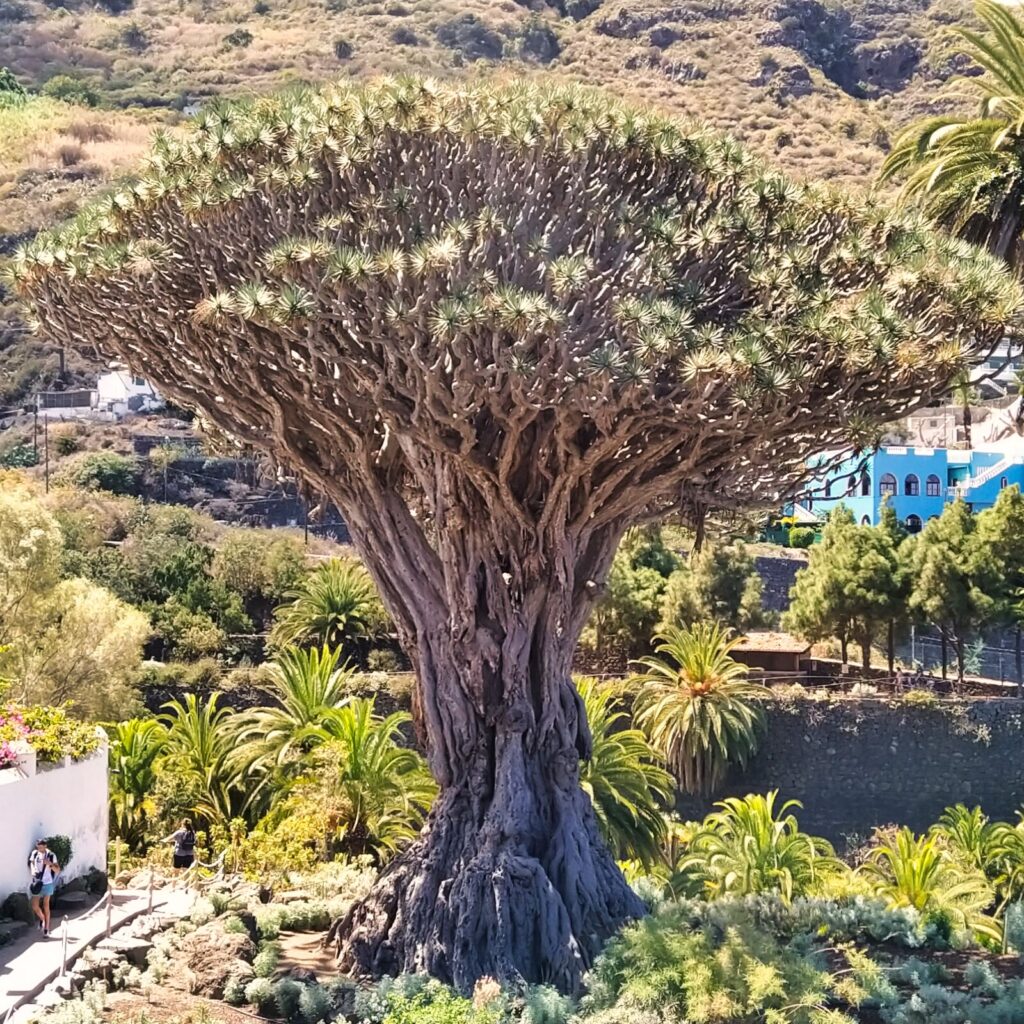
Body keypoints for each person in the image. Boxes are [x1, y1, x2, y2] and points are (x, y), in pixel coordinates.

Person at [28, 838, 60, 937]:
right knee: (34, 906)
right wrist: (33, 871)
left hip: (47, 883)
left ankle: (46, 929)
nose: (40, 848)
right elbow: (31, 863)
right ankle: (42, 918)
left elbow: (57, 870)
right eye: (38, 846)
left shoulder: (51, 855)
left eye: (42, 846)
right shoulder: (34, 853)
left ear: (45, 846)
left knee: (46, 905)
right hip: (37, 883)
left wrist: (50, 864)